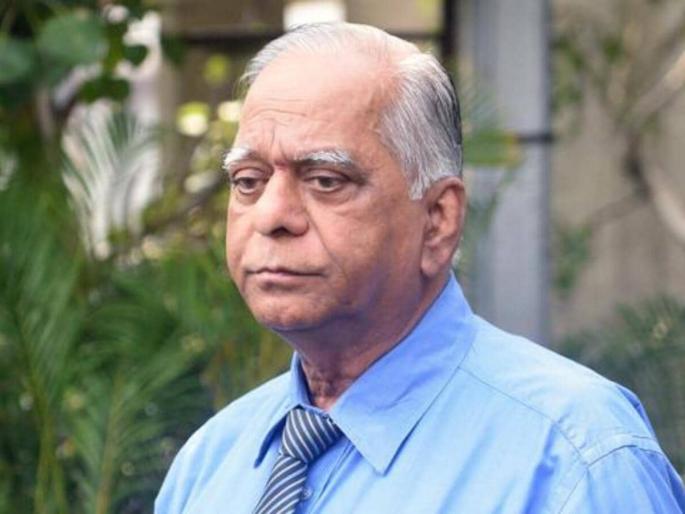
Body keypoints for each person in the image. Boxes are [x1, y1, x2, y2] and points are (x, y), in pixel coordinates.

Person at [156, 22, 685, 514]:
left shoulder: (574, 459)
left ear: (437, 220)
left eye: (325, 181)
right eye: (248, 181)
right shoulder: (210, 464)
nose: (272, 215)